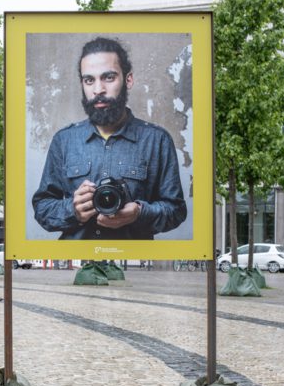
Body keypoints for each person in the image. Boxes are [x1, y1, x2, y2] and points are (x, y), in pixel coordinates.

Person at [32, 37, 187, 240]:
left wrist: (139, 212)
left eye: (108, 77)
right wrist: (73, 209)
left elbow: (176, 210)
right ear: (82, 84)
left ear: (128, 80)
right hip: (78, 266)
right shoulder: (64, 140)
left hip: (132, 265)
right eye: (89, 80)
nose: (98, 90)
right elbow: (42, 208)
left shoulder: (157, 140)